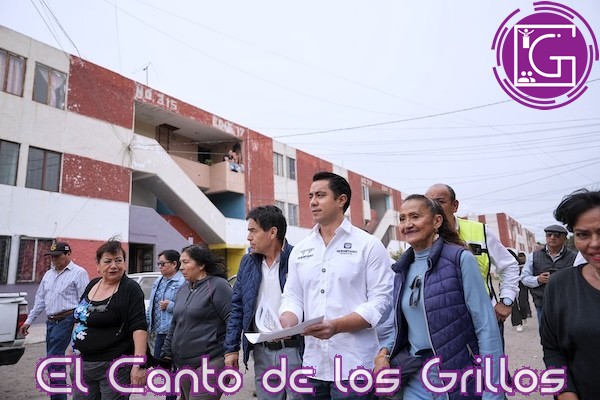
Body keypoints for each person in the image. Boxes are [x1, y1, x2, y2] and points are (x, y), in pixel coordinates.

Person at [375, 194, 503, 399]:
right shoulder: (401, 269)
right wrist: (383, 353)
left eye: (415, 216)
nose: (407, 224)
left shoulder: (460, 259)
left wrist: (493, 389)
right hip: (416, 377)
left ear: (437, 221)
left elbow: (486, 326)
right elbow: (401, 326)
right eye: (402, 218)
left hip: (457, 374)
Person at [279, 171, 392, 399]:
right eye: (310, 196)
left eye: (320, 195)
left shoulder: (368, 245)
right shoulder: (300, 250)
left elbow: (381, 301)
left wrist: (336, 326)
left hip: (355, 366)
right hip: (313, 365)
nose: (312, 202)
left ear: (341, 200)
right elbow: (292, 296)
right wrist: (287, 322)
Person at [224, 205, 302, 400]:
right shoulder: (248, 262)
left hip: (297, 350)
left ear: (272, 232)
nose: (249, 237)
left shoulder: (298, 258)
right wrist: (231, 349)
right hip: (262, 350)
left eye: (253, 231)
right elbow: (237, 307)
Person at [425, 184, 519, 343]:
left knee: (490, 359)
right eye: (428, 203)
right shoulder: (422, 238)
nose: (434, 207)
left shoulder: (480, 231)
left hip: (484, 319)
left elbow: (509, 265)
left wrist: (507, 300)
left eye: (440, 201)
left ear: (455, 205)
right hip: (441, 324)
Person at [71, 239, 148, 399]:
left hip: (114, 367)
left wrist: (139, 365)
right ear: (98, 265)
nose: (114, 266)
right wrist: (73, 348)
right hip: (82, 364)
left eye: (118, 260)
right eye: (108, 261)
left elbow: (139, 328)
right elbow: (80, 318)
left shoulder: (130, 289)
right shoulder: (93, 284)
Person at [541, 189, 600, 399]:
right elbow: (552, 350)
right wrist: (565, 393)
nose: (594, 243)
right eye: (583, 234)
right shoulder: (560, 285)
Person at [161, 245, 232, 400]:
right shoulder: (184, 289)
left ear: (201, 264)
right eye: (180, 263)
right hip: (184, 363)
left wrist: (231, 351)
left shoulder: (218, 286)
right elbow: (175, 322)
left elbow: (232, 320)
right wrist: (167, 351)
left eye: (186, 262)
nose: (181, 267)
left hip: (211, 360)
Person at [19, 241, 89, 400]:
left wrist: (80, 326)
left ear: (68, 254)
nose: (54, 260)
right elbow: (40, 301)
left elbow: (84, 301)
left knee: (54, 361)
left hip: (67, 320)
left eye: (57, 256)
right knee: (53, 362)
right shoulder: (48, 275)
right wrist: (28, 321)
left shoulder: (78, 273)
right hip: (50, 323)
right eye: (52, 257)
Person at [521, 224, 576, 328]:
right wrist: (538, 279)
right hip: (542, 302)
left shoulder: (574, 257)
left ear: (565, 239)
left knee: (567, 331)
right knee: (546, 333)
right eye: (549, 235)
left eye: (557, 235)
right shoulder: (534, 256)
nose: (552, 237)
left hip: (567, 303)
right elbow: (524, 278)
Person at [147, 249, 185, 400]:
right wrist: (147, 324)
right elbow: (152, 305)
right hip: (158, 330)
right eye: (159, 264)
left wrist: (170, 306)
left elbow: (187, 307)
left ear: (174, 264)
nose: (160, 267)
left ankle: (174, 394)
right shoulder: (158, 281)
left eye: (163, 264)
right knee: (160, 365)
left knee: (171, 367)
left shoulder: (182, 282)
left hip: (173, 331)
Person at [507, 250, 530, 332]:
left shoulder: (521, 264)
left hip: (521, 285)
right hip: (511, 287)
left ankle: (524, 317)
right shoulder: (505, 266)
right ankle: (518, 323)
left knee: (523, 304)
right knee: (514, 305)